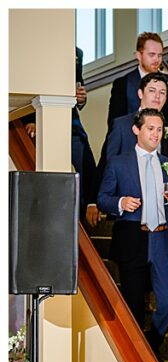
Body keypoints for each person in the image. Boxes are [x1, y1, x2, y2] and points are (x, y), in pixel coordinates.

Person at [96, 108, 168, 355]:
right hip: (133, 238)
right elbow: (103, 198)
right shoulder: (118, 163)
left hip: (163, 239)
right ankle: (137, 354)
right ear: (136, 129)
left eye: (160, 129)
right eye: (151, 128)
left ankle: (152, 343)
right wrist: (120, 203)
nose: (156, 134)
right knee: (133, 303)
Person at [98, 72, 168, 252]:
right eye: (152, 91)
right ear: (140, 93)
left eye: (162, 93)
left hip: (166, 224)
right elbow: (109, 166)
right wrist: (118, 202)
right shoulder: (121, 125)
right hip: (131, 223)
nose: (157, 96)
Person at [27, 47, 100, 227]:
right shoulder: (32, 47)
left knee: (87, 167)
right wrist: (33, 118)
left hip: (71, 122)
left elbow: (77, 85)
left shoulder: (77, 52)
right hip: (38, 118)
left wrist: (81, 99)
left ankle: (82, 224)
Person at [108, 32, 168, 139]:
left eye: (160, 55)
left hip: (163, 150)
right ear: (138, 55)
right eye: (151, 55)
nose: (157, 60)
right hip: (129, 148)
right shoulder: (122, 84)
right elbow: (114, 121)